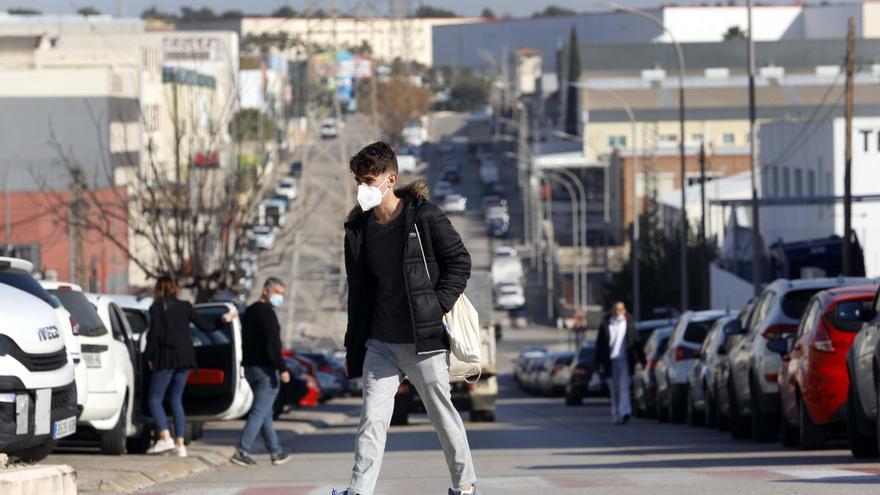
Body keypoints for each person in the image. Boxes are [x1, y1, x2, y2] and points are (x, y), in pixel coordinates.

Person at [337, 142, 477, 495]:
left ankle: (465, 486)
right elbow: (360, 293)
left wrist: (437, 305)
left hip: (423, 341)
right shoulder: (358, 230)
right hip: (381, 343)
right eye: (359, 180)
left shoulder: (424, 217)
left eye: (370, 179)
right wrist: (355, 343)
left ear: (391, 178)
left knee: (442, 417)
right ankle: (359, 490)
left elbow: (459, 262)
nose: (363, 187)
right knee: (371, 420)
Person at [145, 276, 236, 457]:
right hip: (187, 358)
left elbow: (153, 335)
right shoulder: (185, 306)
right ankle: (180, 445)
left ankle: (165, 438)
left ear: (158, 289)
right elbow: (207, 327)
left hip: (167, 357)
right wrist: (223, 319)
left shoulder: (157, 308)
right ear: (174, 289)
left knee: (154, 399)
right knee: (176, 399)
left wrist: (148, 356)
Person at [230, 277, 292, 467]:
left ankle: (276, 451)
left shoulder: (250, 312)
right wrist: (282, 368)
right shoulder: (268, 314)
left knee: (264, 412)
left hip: (250, 369)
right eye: (278, 293)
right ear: (266, 290)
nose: (280, 298)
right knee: (259, 411)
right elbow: (273, 345)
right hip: (266, 370)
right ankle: (242, 449)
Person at [594, 301, 643, 425]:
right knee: (614, 390)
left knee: (624, 387)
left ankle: (625, 412)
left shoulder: (629, 323)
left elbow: (636, 342)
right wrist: (596, 365)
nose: (618, 312)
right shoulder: (605, 324)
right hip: (610, 362)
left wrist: (643, 360)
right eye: (616, 310)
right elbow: (599, 346)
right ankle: (615, 413)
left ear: (624, 310)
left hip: (625, 361)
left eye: (620, 310)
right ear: (612, 310)